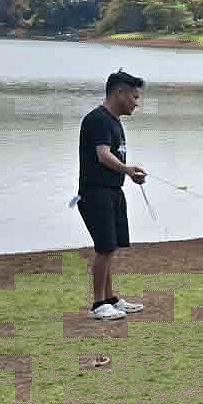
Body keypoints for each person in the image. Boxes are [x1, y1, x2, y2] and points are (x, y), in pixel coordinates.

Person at [76, 69, 148, 321]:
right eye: (134, 97)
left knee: (111, 247)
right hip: (95, 193)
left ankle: (109, 299)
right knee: (104, 247)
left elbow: (113, 156)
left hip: (113, 191)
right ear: (119, 92)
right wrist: (127, 170)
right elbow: (103, 155)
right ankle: (98, 305)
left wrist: (129, 170)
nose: (136, 103)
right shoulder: (97, 119)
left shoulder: (114, 122)